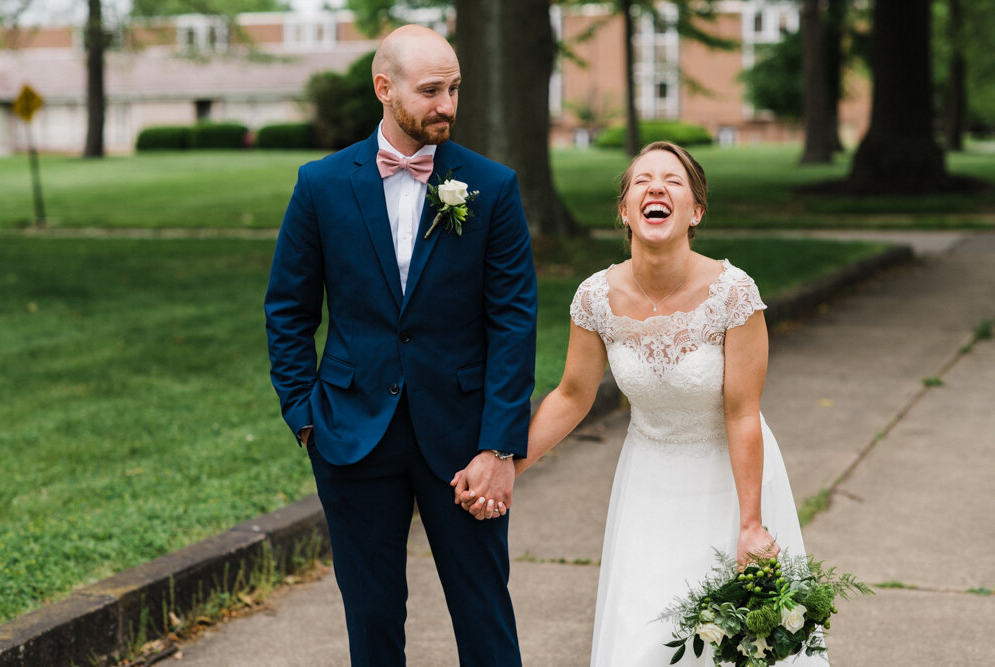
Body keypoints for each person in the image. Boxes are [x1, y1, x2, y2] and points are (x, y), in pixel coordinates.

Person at [456, 141, 823, 665]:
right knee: (641, 636)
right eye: (642, 181)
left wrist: (751, 524)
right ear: (626, 211)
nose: (657, 187)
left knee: (732, 647)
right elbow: (572, 396)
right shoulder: (594, 298)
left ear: (695, 211)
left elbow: (743, 412)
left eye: (673, 181)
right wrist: (506, 464)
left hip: (731, 481)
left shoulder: (734, 293)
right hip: (648, 484)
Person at [264, 24, 537, 666]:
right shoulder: (321, 185)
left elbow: (514, 322)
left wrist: (499, 444)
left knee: (485, 617)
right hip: (352, 436)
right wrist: (305, 419)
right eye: (432, 90)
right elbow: (288, 309)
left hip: (464, 441)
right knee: (373, 621)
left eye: (455, 89)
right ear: (384, 88)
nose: (447, 104)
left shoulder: (491, 187)